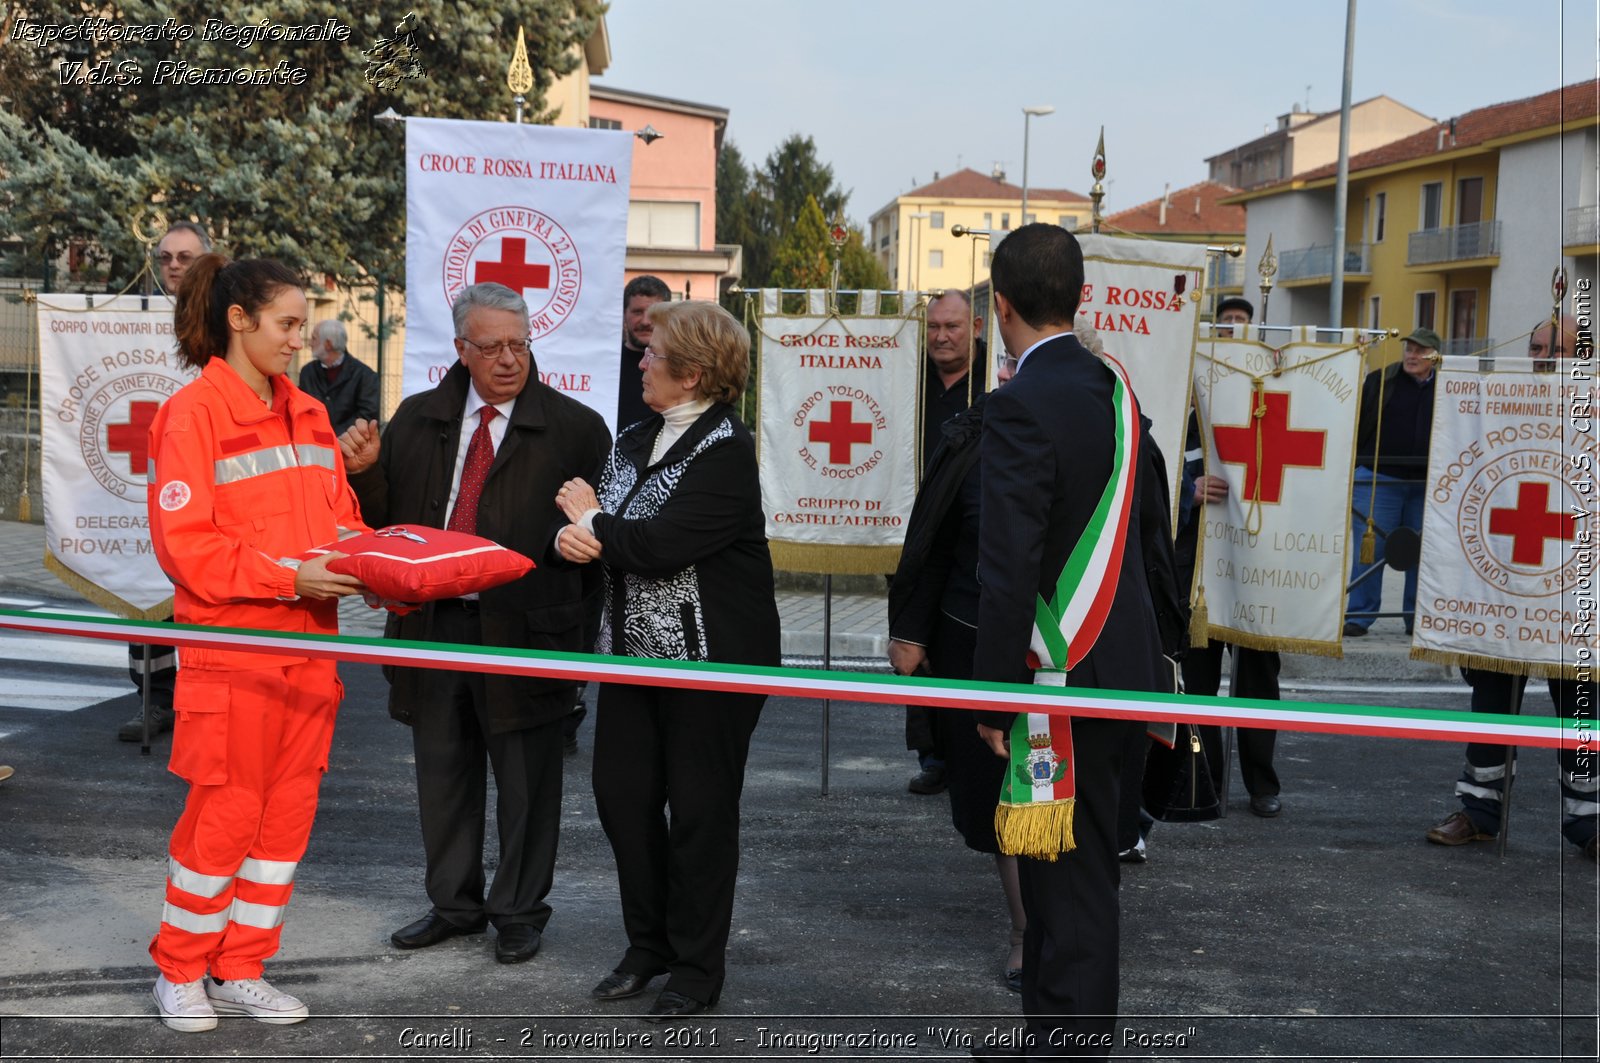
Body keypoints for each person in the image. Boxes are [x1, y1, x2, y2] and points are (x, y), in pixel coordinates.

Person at [338, 282, 611, 966]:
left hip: (526, 630)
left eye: (519, 343)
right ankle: (454, 904)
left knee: (527, 783)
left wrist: (579, 648)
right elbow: (388, 521)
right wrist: (367, 474)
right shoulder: (421, 416)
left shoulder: (575, 428)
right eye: (491, 346)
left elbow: (594, 547)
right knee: (444, 772)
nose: (509, 359)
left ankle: (518, 910)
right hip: (434, 626)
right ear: (461, 348)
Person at [144, 254, 372, 1032]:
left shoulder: (307, 412)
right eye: (285, 323)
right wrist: (292, 580)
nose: (297, 338)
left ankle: (241, 964)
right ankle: (180, 968)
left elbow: (339, 521)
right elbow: (186, 547)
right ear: (238, 320)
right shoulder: (192, 413)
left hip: (309, 652)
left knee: (285, 822)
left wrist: (378, 561)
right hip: (236, 652)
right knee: (226, 817)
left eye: (301, 324)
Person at [971, 224, 1166, 1060]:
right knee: (1068, 873)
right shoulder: (1117, 390)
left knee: (1074, 884)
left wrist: (990, 693)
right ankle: (1050, 1035)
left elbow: (1007, 564)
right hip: (1121, 668)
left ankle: (1073, 1048)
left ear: (1000, 304)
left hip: (1059, 672)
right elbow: (1155, 542)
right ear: (1081, 296)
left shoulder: (1018, 405)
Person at [554, 300, 780, 1022]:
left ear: (692, 374)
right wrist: (576, 540)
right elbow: (613, 535)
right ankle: (646, 944)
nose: (641, 361)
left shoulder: (728, 451)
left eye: (653, 354)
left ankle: (695, 967)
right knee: (624, 798)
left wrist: (591, 520)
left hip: (712, 666)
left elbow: (655, 545)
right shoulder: (631, 437)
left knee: (701, 815)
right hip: (635, 656)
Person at [1426, 313, 1596, 859]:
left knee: (1582, 703)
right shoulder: (1499, 399)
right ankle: (1478, 810)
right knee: (1493, 696)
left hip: (1574, 585)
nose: (1543, 358)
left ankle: (1589, 819)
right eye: (1537, 348)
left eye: (1555, 350)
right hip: (1503, 581)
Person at [889, 346, 1020, 989]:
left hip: (1075, 655)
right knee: (994, 795)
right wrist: (910, 630)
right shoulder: (971, 438)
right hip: (972, 641)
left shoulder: (1117, 437)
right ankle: (1026, 927)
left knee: (1063, 796)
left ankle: (1064, 923)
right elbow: (931, 538)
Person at [1179, 295, 1285, 818]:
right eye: (1227, 324)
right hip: (1199, 565)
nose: (1234, 331)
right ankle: (1201, 781)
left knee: (1258, 677)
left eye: (1244, 324)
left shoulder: (1277, 390)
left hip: (1256, 559)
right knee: (1197, 675)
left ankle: (1262, 783)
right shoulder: (1190, 385)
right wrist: (1187, 489)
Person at [119, 220, 213, 743]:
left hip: (204, 469)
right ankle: (152, 699)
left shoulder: (225, 320)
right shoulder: (129, 319)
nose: (174, 265)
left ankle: (199, 699)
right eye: (165, 257)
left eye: (185, 257)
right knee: (141, 588)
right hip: (150, 472)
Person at [905, 290, 987, 796]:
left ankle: (964, 749)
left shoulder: (992, 387)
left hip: (965, 538)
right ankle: (930, 754)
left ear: (975, 326)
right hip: (913, 533)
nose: (941, 336)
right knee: (915, 641)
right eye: (933, 327)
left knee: (957, 647)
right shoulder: (908, 381)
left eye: (952, 326)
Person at [1345, 326, 1438, 636]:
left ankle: (1417, 617)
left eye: (1420, 351)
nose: (1412, 355)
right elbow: (1357, 419)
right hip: (1378, 479)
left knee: (1421, 552)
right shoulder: (1381, 380)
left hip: (1427, 483)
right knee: (1370, 551)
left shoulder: (1450, 387)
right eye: (1409, 349)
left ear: (1435, 357)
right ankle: (1358, 616)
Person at [297, 319, 380, 435]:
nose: (310, 343)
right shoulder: (307, 372)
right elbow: (300, 409)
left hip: (348, 447)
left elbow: (367, 416)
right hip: (311, 443)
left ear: (328, 344)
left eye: (314, 338)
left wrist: (333, 436)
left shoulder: (365, 376)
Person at [617, 275, 670, 431]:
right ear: (624, 314)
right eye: (637, 312)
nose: (646, 321)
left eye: (654, 314)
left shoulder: (680, 367)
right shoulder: (606, 365)